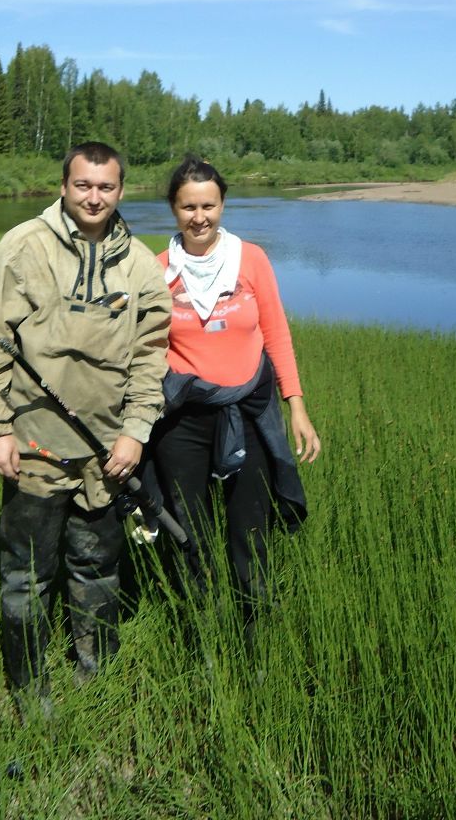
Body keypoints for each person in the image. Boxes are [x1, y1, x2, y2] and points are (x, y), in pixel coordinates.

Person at [0, 142, 170, 713]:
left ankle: (95, 680)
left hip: (108, 458)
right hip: (34, 452)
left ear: (121, 190)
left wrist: (136, 431)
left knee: (97, 570)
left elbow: (151, 360)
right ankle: (29, 691)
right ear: (65, 185)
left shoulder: (141, 266)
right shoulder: (23, 247)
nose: (93, 197)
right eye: (82, 185)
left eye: (105, 187)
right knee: (27, 575)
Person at [148, 155, 321, 622]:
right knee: (189, 530)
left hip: (248, 413)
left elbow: (277, 333)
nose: (199, 217)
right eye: (188, 207)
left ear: (223, 204)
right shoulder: (157, 270)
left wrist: (296, 406)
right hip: (181, 422)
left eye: (208, 205)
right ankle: (200, 628)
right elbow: (144, 351)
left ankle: (254, 624)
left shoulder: (252, 260)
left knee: (250, 529)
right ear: (173, 209)